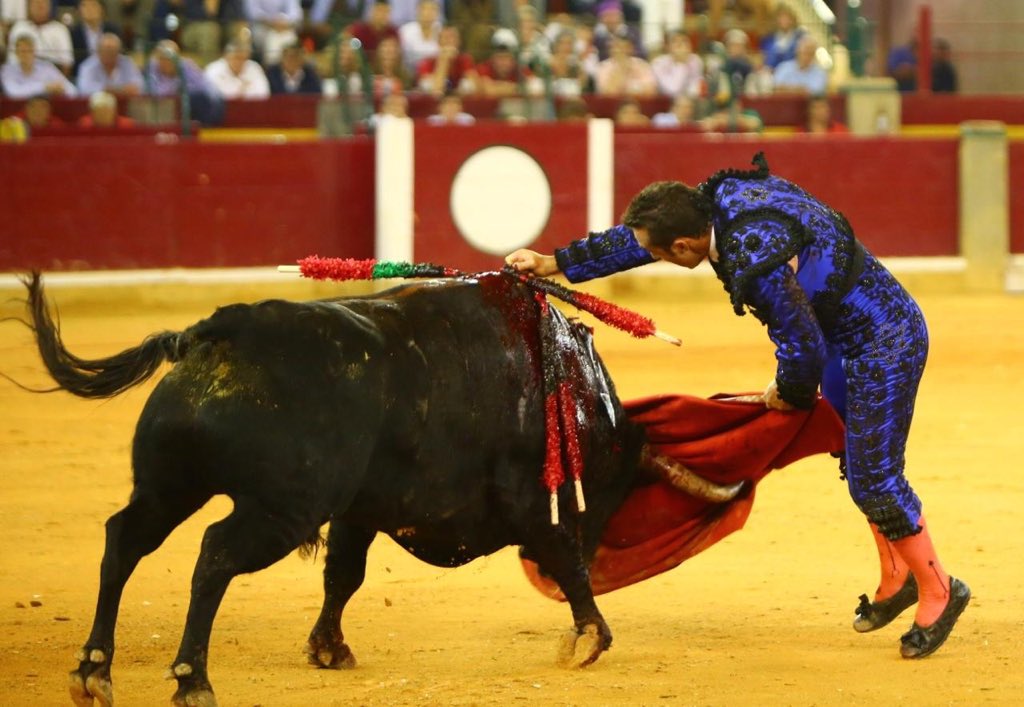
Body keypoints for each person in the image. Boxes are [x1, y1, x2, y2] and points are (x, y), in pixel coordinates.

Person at [505, 152, 971, 661]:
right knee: (851, 454)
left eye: (665, 256)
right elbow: (643, 238)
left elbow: (803, 344)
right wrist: (556, 263)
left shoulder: (751, 254)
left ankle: (940, 591)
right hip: (850, 332)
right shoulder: (712, 201)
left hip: (885, 341)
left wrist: (787, 396)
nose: (660, 259)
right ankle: (898, 575)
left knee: (874, 477)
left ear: (684, 247)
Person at [6, 0, 73, 74]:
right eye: (36, 3)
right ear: (29, 6)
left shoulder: (60, 29)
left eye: (44, 3)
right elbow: (11, 61)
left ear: (50, 6)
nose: (40, 6)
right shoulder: (19, 28)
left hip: (51, 80)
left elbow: (67, 64)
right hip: (22, 79)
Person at [1, 33, 76, 98]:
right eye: (23, 51)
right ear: (16, 53)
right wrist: (45, 87)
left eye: (29, 51)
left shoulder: (46, 67)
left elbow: (72, 90)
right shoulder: (7, 70)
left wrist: (62, 90)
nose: (26, 55)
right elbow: (13, 93)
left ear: (34, 51)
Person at [76, 32, 144, 97]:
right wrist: (121, 90)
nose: (109, 55)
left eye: (113, 51)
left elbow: (139, 87)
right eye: (106, 51)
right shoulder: (87, 66)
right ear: (98, 51)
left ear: (119, 52)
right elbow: (84, 90)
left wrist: (107, 90)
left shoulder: (128, 63)